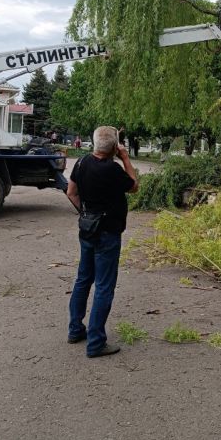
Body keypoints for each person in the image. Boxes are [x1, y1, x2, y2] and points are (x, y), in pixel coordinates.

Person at [66, 126, 139, 357]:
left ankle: (75, 330)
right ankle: (96, 342)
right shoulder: (113, 170)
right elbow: (134, 186)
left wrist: (86, 214)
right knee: (104, 286)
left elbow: (71, 192)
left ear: (94, 142)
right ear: (115, 147)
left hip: (87, 230)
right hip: (108, 233)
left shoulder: (81, 163)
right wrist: (125, 157)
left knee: (83, 279)